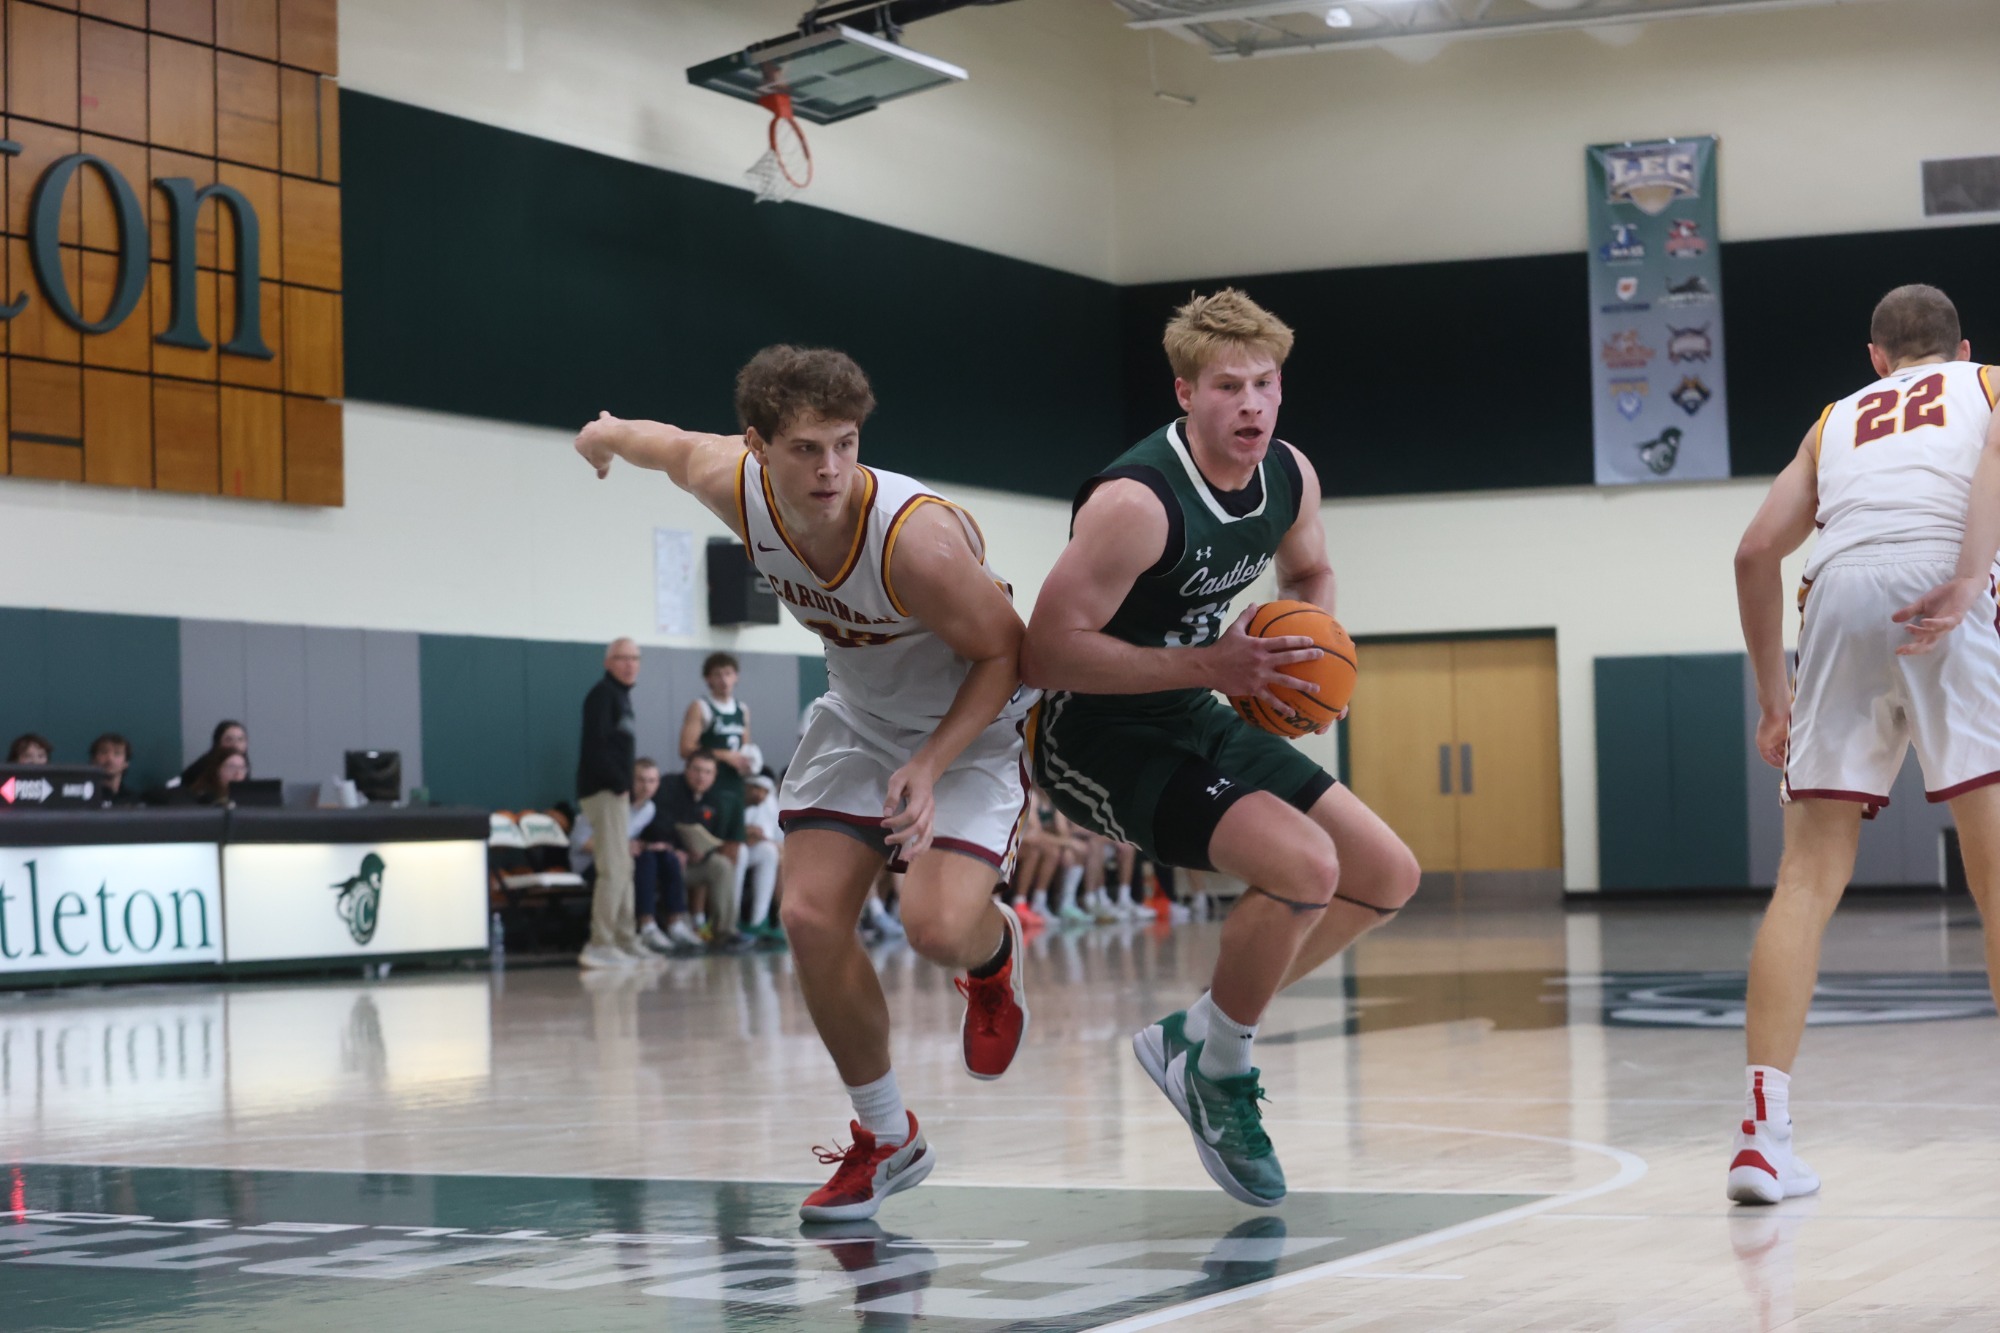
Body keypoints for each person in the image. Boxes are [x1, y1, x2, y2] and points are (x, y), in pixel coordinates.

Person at [574, 343, 1031, 1224]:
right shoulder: (731, 481)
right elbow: (662, 443)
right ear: (758, 446)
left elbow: (1007, 653)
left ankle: (993, 954)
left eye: (845, 444)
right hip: (860, 718)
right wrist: (604, 434)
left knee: (936, 927)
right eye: (806, 448)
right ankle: (888, 1135)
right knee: (809, 917)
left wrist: (931, 763)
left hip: (970, 728)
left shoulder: (916, 541)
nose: (830, 469)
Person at [1020, 288, 1420, 1207]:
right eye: (1228, 386)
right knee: (1306, 866)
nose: (1251, 404)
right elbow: (1044, 652)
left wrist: (1305, 659)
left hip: (1197, 701)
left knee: (1385, 874)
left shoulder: (1289, 474)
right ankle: (1221, 1067)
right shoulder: (1136, 502)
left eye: (1265, 383)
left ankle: (1198, 1033)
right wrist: (1214, 663)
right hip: (1094, 732)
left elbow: (1310, 569)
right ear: (1185, 393)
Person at [1729, 283, 2000, 1205]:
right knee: (1995, 874)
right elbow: (1995, 457)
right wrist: (1969, 577)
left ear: (1877, 359)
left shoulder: (1834, 419)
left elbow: (1753, 553)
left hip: (1837, 592)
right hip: (1946, 583)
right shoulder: (1988, 386)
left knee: (1805, 879)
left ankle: (1761, 1139)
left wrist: (1774, 700)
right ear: (1963, 349)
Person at [576, 638, 648, 970]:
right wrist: (620, 783)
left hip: (617, 793)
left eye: (635, 658)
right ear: (608, 662)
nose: (630, 664)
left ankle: (624, 938)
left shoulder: (622, 697)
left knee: (625, 867)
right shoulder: (603, 695)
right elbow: (597, 747)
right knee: (613, 869)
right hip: (604, 791)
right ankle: (599, 944)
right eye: (622, 658)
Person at [571, 757, 688, 956]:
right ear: (629, 781)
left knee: (664, 858)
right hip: (590, 863)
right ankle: (645, 925)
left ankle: (674, 923)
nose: (646, 786)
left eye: (652, 781)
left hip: (620, 860)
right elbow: (579, 842)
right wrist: (622, 847)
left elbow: (627, 838)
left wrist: (645, 845)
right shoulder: (610, 804)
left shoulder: (649, 809)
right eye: (640, 780)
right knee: (644, 861)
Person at [662, 751, 751, 952]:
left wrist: (703, 852)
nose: (701, 776)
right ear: (686, 769)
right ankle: (678, 926)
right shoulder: (669, 787)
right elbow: (658, 824)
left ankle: (725, 931)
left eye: (707, 772)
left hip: (693, 862)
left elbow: (713, 839)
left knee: (721, 865)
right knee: (671, 861)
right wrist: (677, 848)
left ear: (714, 776)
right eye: (697, 770)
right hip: (665, 861)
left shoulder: (714, 799)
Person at [682, 652, 757, 806]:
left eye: (728, 674)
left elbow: (746, 747)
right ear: (708, 679)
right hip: (708, 784)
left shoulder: (742, 709)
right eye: (717, 674)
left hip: (735, 783)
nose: (724, 680)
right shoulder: (700, 707)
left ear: (736, 676)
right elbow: (685, 749)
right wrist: (724, 755)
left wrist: (751, 762)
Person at [738, 772, 785, 942]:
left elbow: (776, 838)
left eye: (764, 791)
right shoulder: (734, 797)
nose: (760, 794)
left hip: (757, 850)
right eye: (756, 788)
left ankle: (759, 921)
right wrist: (743, 833)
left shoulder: (769, 804)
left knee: (769, 852)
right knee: (740, 851)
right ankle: (731, 922)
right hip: (731, 851)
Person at [180, 720, 247, 786]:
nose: (235, 745)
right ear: (218, 743)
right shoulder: (204, 767)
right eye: (229, 740)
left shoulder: (245, 763)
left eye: (240, 739)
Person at [89, 733, 145, 806]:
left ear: (126, 763)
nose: (110, 759)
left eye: (117, 753)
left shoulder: (133, 801)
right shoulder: (84, 796)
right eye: (104, 752)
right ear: (93, 760)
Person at [182, 748, 248, 805]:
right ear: (217, 770)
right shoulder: (199, 797)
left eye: (242, 768)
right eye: (231, 767)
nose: (237, 773)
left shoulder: (248, 798)